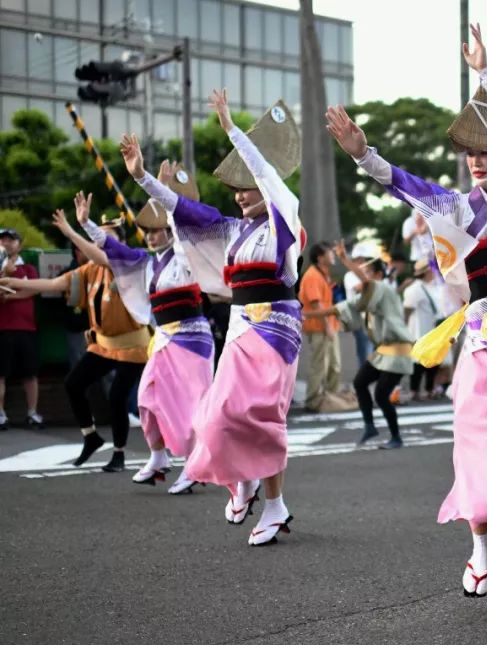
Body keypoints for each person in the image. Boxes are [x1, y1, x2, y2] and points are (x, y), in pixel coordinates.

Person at [327, 23, 487, 606]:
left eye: (486, 151)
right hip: (482, 342)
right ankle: (486, 547)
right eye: (469, 154)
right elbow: (408, 188)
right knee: (470, 446)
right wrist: (364, 154)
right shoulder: (460, 209)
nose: (476, 162)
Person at [125, 92, 304, 546]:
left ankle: (275, 503)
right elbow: (185, 211)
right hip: (241, 326)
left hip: (276, 327)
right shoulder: (233, 230)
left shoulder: (284, 217)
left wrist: (231, 129)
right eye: (236, 189)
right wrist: (143, 177)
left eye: (247, 186)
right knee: (214, 417)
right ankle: (243, 482)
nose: (241, 194)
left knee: (262, 417)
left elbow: (267, 177)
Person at [63, 168, 215, 495]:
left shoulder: (185, 257)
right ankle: (159, 457)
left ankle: (194, 465)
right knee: (147, 399)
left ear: (170, 232)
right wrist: (86, 224)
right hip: (163, 339)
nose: (150, 235)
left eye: (157, 230)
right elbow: (114, 252)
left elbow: (181, 224)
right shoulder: (148, 262)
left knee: (190, 406)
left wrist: (161, 192)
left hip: (191, 339)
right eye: (146, 230)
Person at [3, 216, 149, 471]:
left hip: (132, 345)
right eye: (97, 237)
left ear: (122, 243)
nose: (100, 242)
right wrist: (10, 282)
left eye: (106, 238)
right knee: (73, 383)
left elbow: (106, 258)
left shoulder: (129, 262)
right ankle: (90, 436)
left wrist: (71, 231)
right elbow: (50, 284)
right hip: (103, 344)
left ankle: (119, 453)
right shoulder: (88, 270)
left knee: (117, 396)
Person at [335, 246, 412, 449]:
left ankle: (396, 437)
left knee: (380, 394)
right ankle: (370, 425)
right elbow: (351, 306)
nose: (364, 278)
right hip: (383, 351)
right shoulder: (373, 293)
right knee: (360, 382)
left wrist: (345, 260)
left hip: (397, 350)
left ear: (378, 274)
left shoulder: (382, 288)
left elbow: (366, 284)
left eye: (368, 273)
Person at [0, 227, 44, 430]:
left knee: (30, 374)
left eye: (11, 240)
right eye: (3, 240)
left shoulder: (28, 268)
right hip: (3, 328)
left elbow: (33, 289)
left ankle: (32, 413)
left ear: (19, 244)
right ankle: (1, 415)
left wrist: (10, 295)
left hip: (27, 328)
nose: (7, 243)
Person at [298, 241, 342, 411]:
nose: (333, 255)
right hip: (320, 327)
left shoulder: (323, 274)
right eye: (330, 253)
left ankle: (330, 397)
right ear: (320, 257)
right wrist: (327, 327)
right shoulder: (312, 276)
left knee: (334, 365)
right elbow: (316, 305)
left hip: (328, 326)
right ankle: (313, 400)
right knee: (320, 365)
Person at [402, 258, 443, 400]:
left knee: (434, 360)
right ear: (426, 272)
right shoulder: (414, 289)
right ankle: (414, 391)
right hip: (419, 329)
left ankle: (429, 389)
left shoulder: (432, 286)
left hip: (433, 329)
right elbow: (406, 310)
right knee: (418, 362)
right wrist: (405, 332)